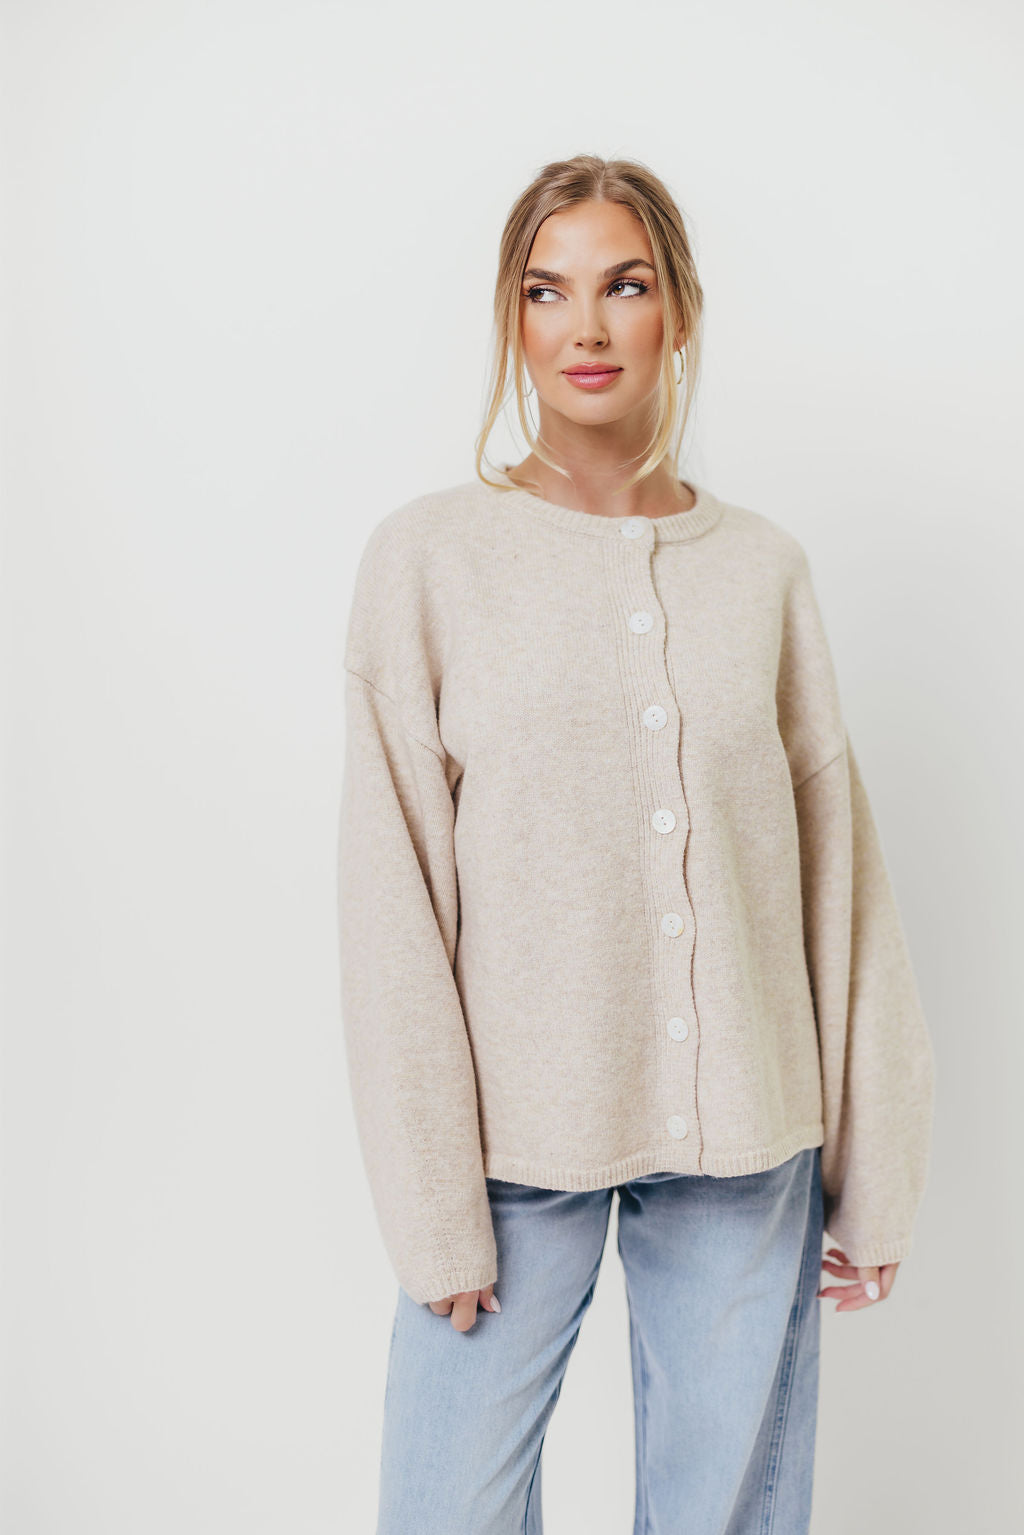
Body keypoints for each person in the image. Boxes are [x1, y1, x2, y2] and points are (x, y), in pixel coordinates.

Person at [336, 153, 936, 1534]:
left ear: (682, 311)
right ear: (511, 317)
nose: (587, 327)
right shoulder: (430, 560)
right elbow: (391, 900)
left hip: (749, 1141)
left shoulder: (762, 570)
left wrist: (879, 1165)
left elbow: (838, 875)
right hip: (511, 1147)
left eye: (625, 285)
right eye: (547, 291)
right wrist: (431, 1206)